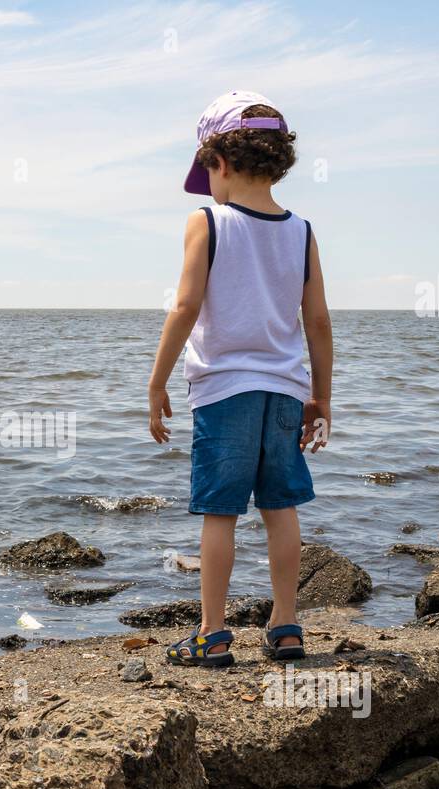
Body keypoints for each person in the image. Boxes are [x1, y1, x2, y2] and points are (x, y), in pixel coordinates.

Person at [147, 90, 333, 666]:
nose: (209, 187)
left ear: (220, 162)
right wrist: (321, 397)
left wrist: (157, 383)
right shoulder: (301, 230)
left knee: (220, 512)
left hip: (224, 390)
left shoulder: (207, 221)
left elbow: (184, 306)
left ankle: (212, 633)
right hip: (284, 390)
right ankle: (285, 627)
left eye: (208, 174)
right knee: (281, 507)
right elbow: (318, 321)